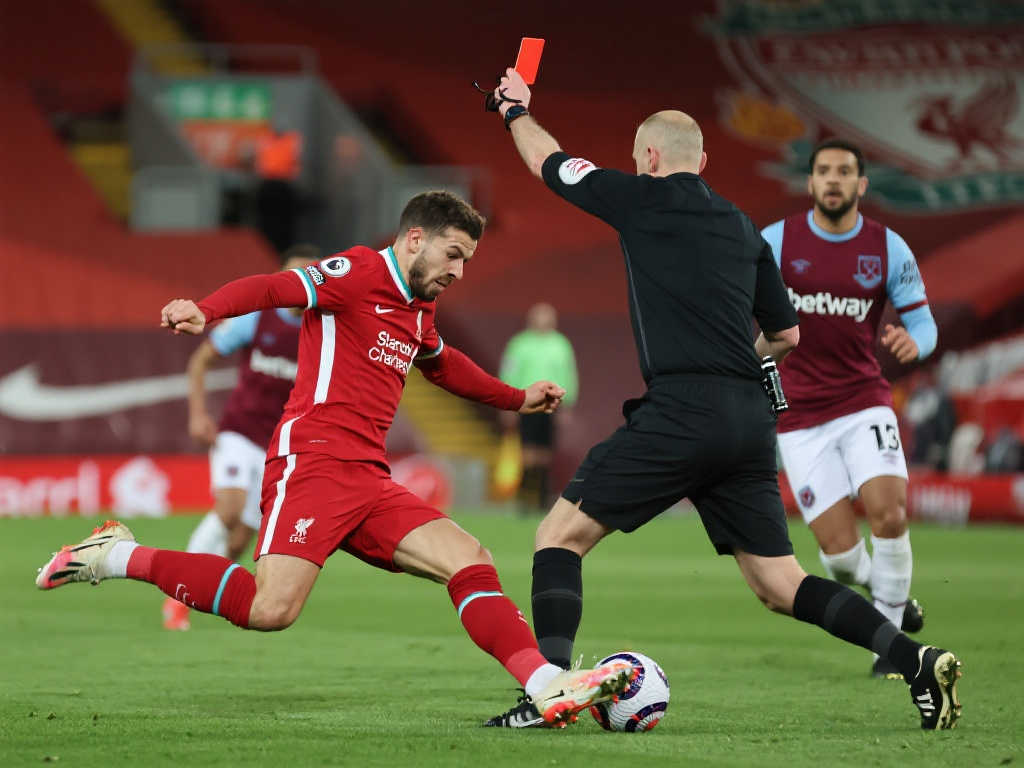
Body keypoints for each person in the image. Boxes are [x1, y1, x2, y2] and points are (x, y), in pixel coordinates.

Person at [36, 191, 636, 728]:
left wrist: (517, 398)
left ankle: (544, 684)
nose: (458, 271)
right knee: (269, 609)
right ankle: (116, 555)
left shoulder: (418, 307)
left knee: (468, 558)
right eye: (453, 254)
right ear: (415, 238)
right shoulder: (357, 270)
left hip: (369, 477)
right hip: (313, 462)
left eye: (467, 261)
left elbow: (442, 364)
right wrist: (207, 308)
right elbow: (275, 288)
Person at [481, 68, 961, 730]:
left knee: (557, 536)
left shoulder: (638, 198)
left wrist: (514, 111)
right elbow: (787, 334)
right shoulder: (741, 225)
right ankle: (917, 661)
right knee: (780, 583)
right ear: (702, 162)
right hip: (748, 418)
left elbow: (550, 163)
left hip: (682, 410)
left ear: (648, 158)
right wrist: (749, 367)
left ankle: (550, 693)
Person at [761, 140, 939, 678]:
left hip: (864, 401)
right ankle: (892, 597)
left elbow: (923, 323)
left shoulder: (888, 248)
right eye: (823, 171)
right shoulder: (775, 241)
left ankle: (888, 649)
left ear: (861, 185)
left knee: (890, 513)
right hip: (797, 416)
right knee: (838, 557)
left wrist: (917, 344)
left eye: (844, 172)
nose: (833, 180)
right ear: (810, 182)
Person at [162, 245, 319, 631]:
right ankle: (175, 599)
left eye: (306, 277)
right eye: (290, 276)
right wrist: (198, 414)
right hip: (239, 431)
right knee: (228, 510)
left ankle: (205, 595)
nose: (296, 286)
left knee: (239, 542)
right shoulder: (257, 320)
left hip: (278, 446)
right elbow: (200, 360)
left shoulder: (324, 331)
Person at [499, 302, 579, 512]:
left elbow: (568, 374)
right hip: (525, 402)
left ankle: (543, 499)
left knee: (545, 453)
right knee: (527, 452)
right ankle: (524, 499)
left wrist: (567, 405)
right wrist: (507, 405)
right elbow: (509, 373)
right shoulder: (519, 344)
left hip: (551, 405)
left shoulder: (561, 344)